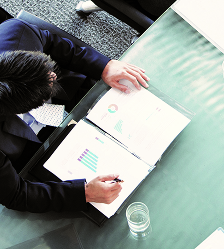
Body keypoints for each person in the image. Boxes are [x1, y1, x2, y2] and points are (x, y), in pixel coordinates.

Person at [0, 18, 149, 212]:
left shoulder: (16, 34)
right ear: (20, 109)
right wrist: (84, 193)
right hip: (36, 150)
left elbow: (53, 42)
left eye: (48, 70)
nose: (53, 75)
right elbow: (16, 195)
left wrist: (103, 66)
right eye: (49, 84)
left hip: (76, 97)